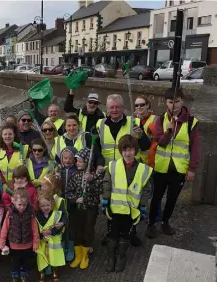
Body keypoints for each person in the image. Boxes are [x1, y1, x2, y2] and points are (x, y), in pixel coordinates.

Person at [147, 88, 199, 239]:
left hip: (179, 169)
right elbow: (161, 143)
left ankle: (165, 222)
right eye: (170, 102)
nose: (174, 105)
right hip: (161, 167)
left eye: (176, 101)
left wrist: (192, 168)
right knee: (156, 197)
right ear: (166, 102)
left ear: (182, 101)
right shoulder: (160, 120)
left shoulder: (191, 122)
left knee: (172, 198)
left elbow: (195, 147)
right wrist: (168, 132)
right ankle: (151, 223)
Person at [102, 135, 152, 272]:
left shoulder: (143, 169)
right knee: (112, 234)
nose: (127, 153)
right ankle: (110, 258)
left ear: (135, 150)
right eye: (124, 150)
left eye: (130, 150)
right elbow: (107, 183)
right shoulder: (112, 166)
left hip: (131, 210)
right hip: (115, 208)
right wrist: (105, 200)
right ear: (120, 151)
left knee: (125, 234)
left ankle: (121, 257)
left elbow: (146, 190)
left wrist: (143, 207)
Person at [66, 148, 103, 270]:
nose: (77, 163)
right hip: (77, 209)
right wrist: (75, 199)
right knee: (77, 231)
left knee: (87, 230)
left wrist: (91, 181)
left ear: (88, 162)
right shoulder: (75, 175)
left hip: (90, 208)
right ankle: (78, 255)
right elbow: (68, 191)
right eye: (77, 161)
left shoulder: (95, 176)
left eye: (80, 161)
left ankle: (85, 256)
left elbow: (99, 190)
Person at [0, 188, 40, 282]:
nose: (22, 207)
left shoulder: (31, 213)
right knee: (15, 263)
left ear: (27, 202)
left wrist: (36, 243)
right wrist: (2, 244)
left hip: (28, 245)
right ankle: (15, 275)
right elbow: (4, 229)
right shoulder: (10, 213)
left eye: (24, 205)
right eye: (19, 205)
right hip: (14, 245)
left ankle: (24, 275)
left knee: (26, 262)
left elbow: (35, 229)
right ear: (13, 201)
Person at [35, 192, 66, 282]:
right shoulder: (36, 215)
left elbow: (60, 224)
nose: (46, 208)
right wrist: (41, 235)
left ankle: (55, 272)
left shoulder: (56, 214)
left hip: (54, 240)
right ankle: (42, 273)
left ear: (52, 204)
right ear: (39, 206)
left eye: (48, 205)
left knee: (54, 257)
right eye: (43, 206)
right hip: (42, 241)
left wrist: (52, 231)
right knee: (41, 257)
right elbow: (34, 228)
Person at [134, 96, 156, 165]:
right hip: (136, 160)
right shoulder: (133, 120)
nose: (139, 107)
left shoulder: (156, 119)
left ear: (147, 105)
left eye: (142, 105)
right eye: (136, 105)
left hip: (150, 160)